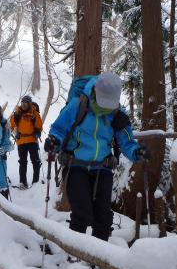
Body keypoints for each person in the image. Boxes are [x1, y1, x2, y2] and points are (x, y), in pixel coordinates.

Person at [44, 72, 149, 242]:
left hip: (103, 168)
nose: (106, 107)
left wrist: (137, 152)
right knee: (82, 214)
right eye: (103, 101)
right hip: (76, 166)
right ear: (95, 91)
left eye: (110, 103)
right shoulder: (78, 105)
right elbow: (59, 129)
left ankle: (99, 254)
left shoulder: (117, 115)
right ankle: (75, 252)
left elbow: (127, 142)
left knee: (103, 218)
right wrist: (54, 141)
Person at [9, 95, 43, 189]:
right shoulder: (17, 114)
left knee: (35, 161)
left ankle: (35, 182)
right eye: (22, 102)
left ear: (29, 104)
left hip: (32, 140)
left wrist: (37, 132)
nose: (24, 104)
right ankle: (23, 182)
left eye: (26, 103)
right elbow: (10, 126)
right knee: (23, 162)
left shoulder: (34, 114)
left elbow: (39, 125)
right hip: (21, 141)